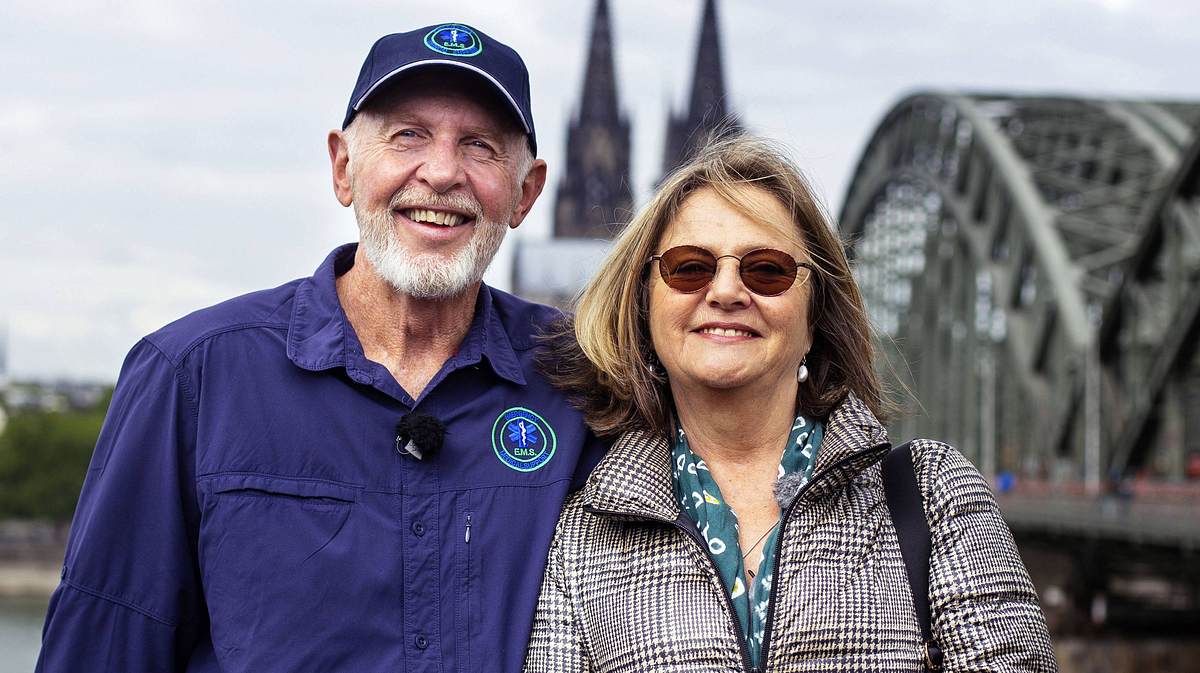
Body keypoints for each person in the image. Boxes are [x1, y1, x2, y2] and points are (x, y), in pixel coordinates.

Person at [37, 23, 606, 673]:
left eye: (479, 146)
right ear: (343, 167)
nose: (443, 172)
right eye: (408, 135)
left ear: (526, 192)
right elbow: (102, 647)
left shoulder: (583, 379)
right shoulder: (191, 375)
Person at [524, 135, 1056, 672]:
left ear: (813, 317)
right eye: (689, 268)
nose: (727, 291)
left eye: (768, 270)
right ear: (645, 307)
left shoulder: (930, 494)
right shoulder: (579, 535)